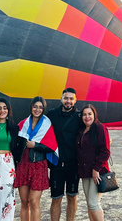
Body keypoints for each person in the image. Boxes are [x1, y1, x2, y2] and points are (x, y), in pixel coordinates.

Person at [14, 96, 59, 221]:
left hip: (38, 166)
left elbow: (52, 147)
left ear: (43, 109)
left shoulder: (47, 124)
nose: (37, 109)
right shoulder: (23, 123)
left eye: (40, 107)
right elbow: (15, 144)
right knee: (24, 202)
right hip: (23, 165)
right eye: (35, 106)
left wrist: (36, 145)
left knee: (34, 202)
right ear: (31, 107)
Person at [47, 88, 83, 221]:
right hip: (57, 164)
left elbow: (94, 127)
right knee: (56, 199)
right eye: (66, 98)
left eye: (71, 99)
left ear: (75, 100)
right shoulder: (52, 114)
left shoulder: (80, 116)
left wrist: (105, 138)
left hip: (73, 165)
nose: (68, 101)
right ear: (61, 99)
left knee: (72, 197)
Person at [76, 104, 111, 221]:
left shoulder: (100, 128)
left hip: (97, 172)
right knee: (89, 204)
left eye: (90, 114)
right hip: (85, 172)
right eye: (84, 114)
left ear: (94, 115)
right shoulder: (81, 130)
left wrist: (96, 169)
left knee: (93, 203)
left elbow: (105, 151)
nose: (87, 117)